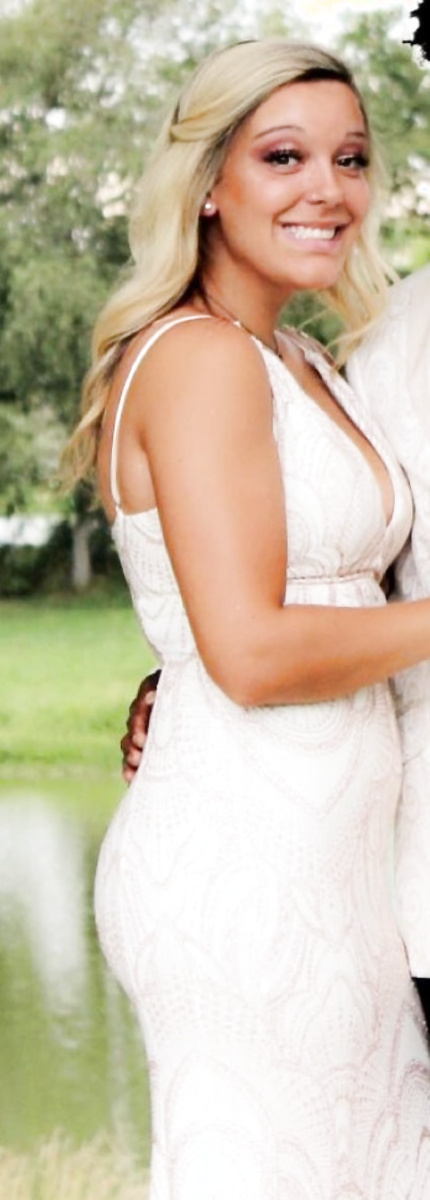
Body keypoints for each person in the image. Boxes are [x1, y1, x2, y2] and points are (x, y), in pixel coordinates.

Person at [64, 39, 430, 1198]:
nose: (327, 189)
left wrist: (169, 677)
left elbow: (301, 599)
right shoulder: (199, 358)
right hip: (246, 868)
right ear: (209, 182)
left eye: (350, 159)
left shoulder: (304, 359)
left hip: (338, 869)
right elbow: (251, 651)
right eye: (283, 157)